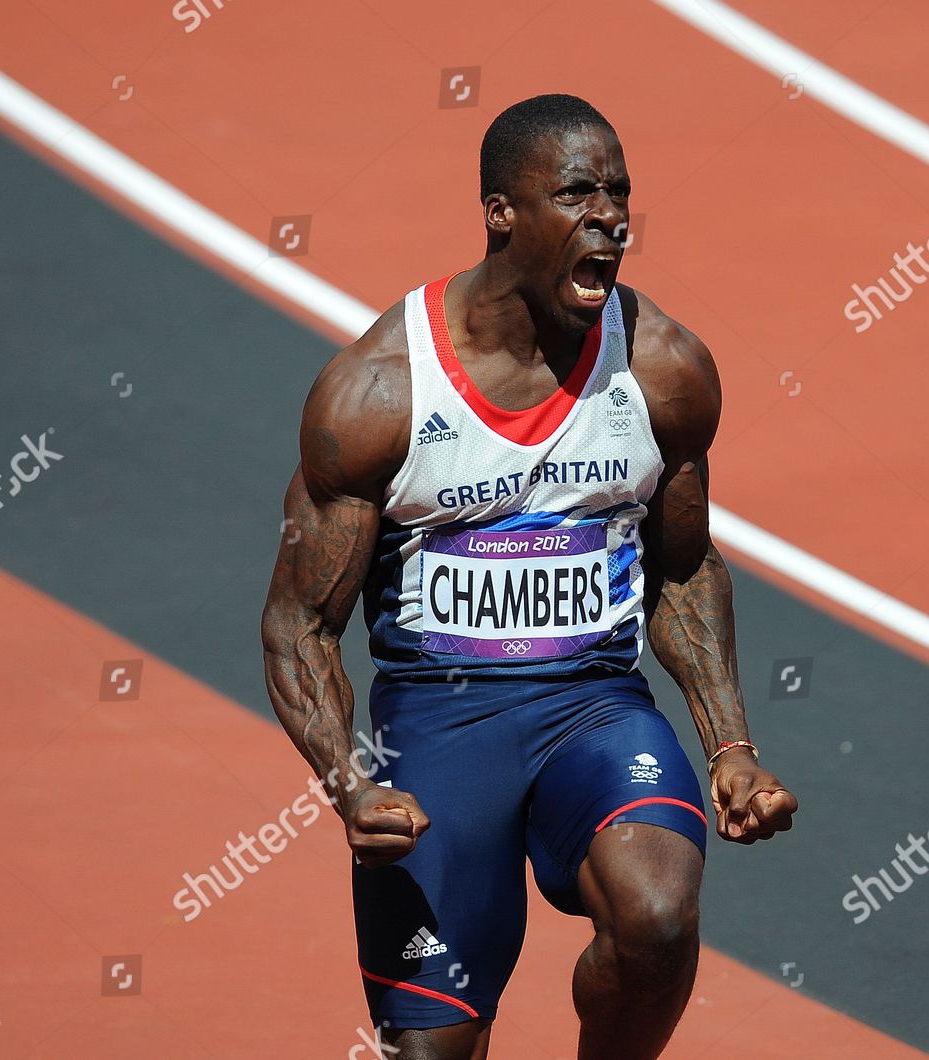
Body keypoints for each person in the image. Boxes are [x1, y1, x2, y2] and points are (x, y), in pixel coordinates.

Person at [261, 93, 797, 1060]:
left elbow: (683, 570)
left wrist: (729, 745)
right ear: (501, 212)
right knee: (435, 1050)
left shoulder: (663, 370)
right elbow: (299, 624)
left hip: (593, 711)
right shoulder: (380, 391)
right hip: (436, 730)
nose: (612, 217)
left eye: (621, 193)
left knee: (660, 917)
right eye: (580, 194)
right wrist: (346, 781)